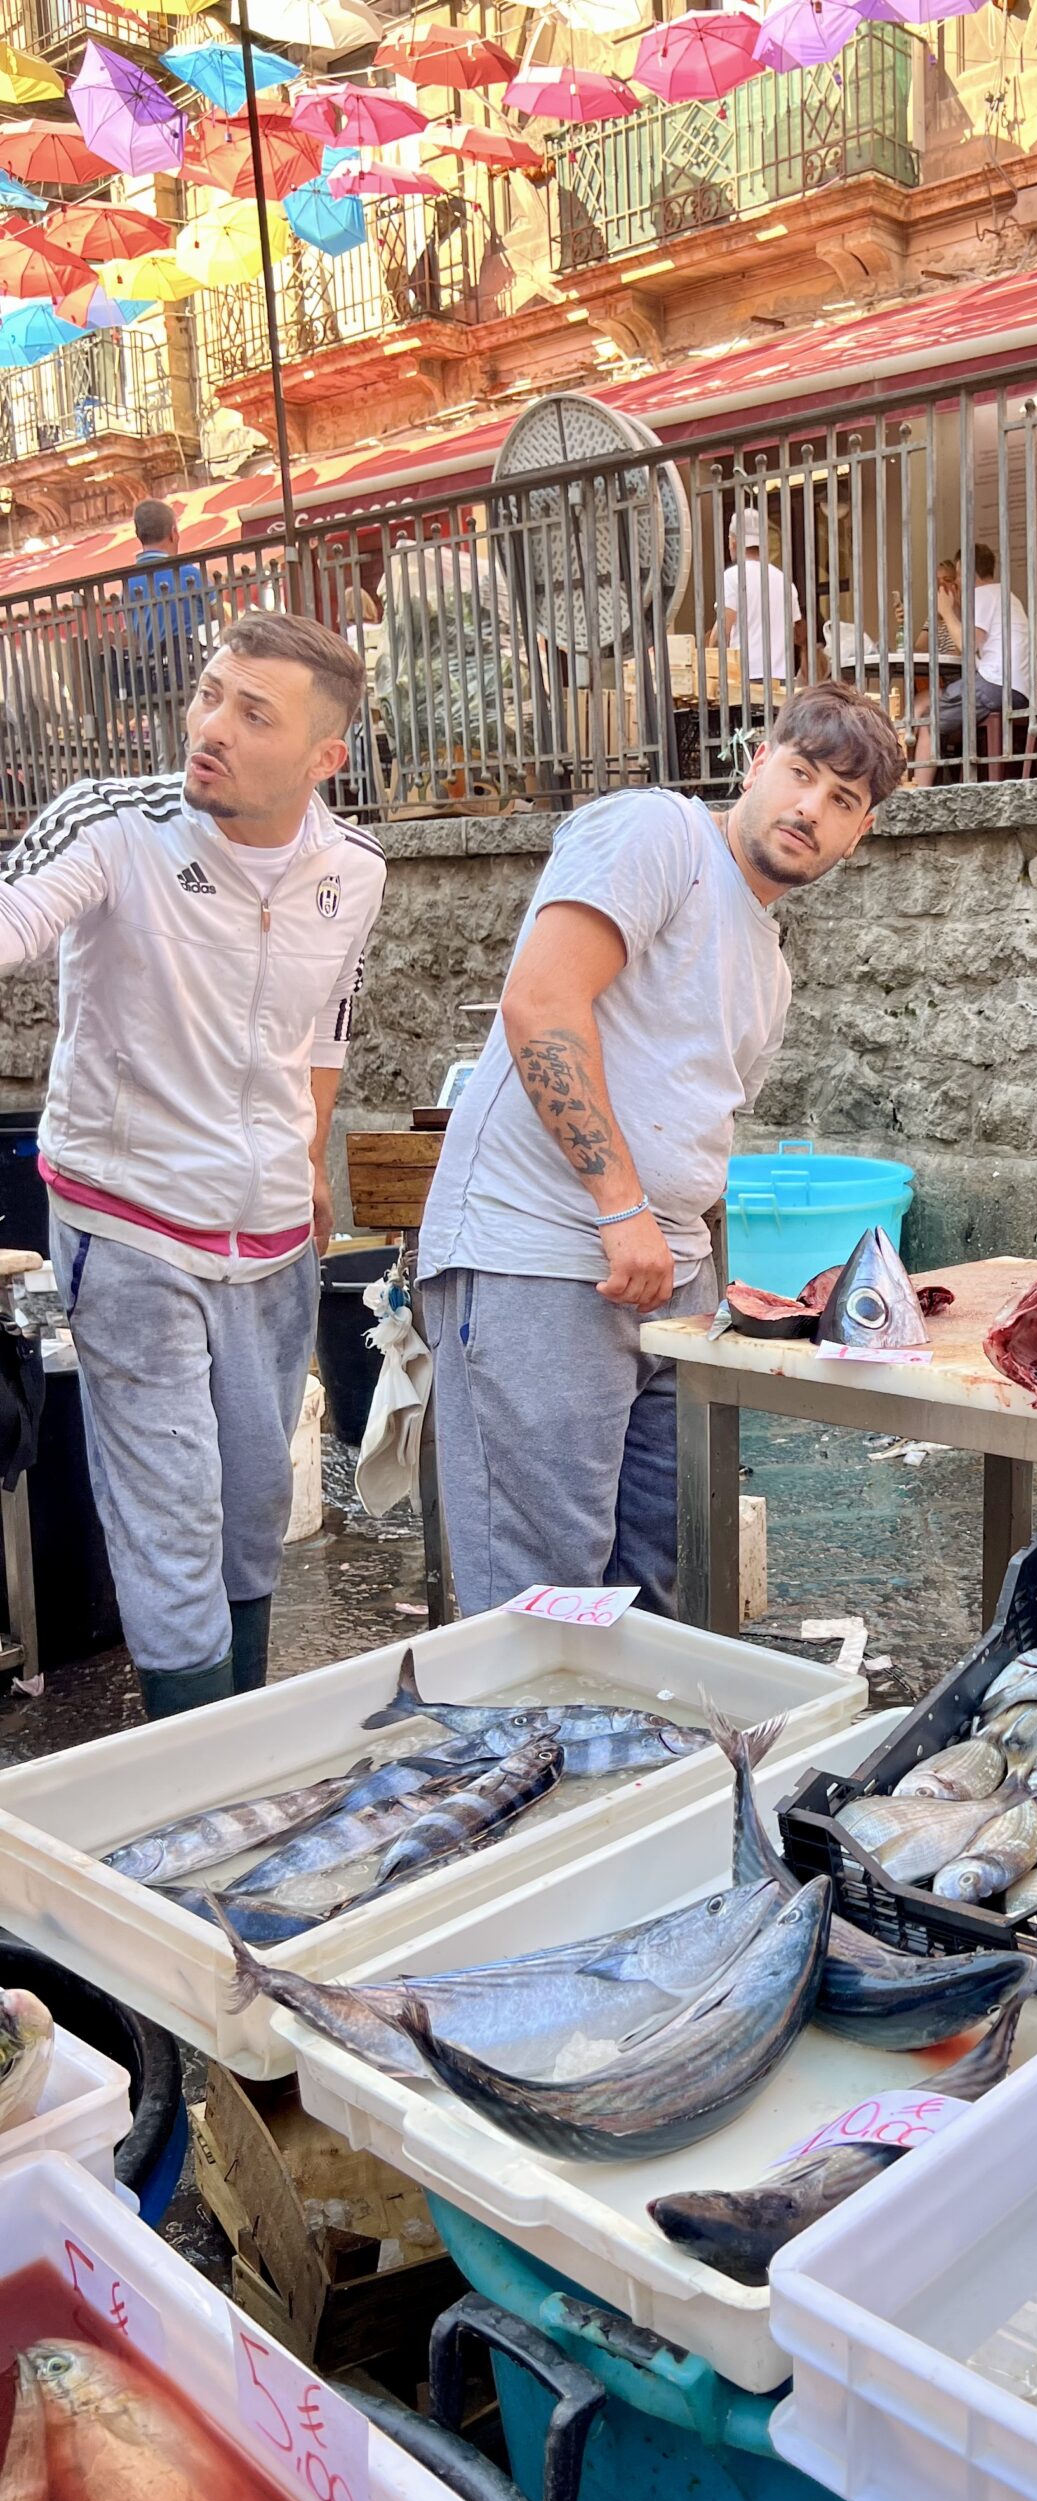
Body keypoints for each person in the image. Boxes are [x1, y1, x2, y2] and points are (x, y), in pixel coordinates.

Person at [417, 682, 903, 1618]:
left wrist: (699, 1266)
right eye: (801, 775)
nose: (811, 808)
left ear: (858, 836)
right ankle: (512, 1763)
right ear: (757, 763)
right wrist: (620, 1207)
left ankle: (633, 1767)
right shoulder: (658, 836)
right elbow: (542, 1003)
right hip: (541, 1259)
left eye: (843, 801)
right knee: (539, 1593)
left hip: (665, 1278)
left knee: (652, 1582)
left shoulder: (771, 964)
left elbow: (691, 1127)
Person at [0, 614, 384, 1717]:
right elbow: (18, 919)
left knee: (254, 1501)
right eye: (209, 692)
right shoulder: (114, 825)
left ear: (325, 757)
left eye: (251, 711)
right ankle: (200, 1771)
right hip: (126, 1219)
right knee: (169, 1508)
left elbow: (326, 1030)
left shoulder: (354, 869)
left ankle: (243, 1732)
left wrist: (308, 1156)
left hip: (269, 1231)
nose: (209, 726)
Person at [908, 544, 1034, 780]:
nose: (956, 582)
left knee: (929, 720)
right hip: (1015, 688)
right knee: (930, 699)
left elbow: (967, 647)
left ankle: (917, 794)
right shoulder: (1005, 594)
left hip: (994, 685)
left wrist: (945, 611)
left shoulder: (983, 595)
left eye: (957, 575)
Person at [117, 498, 211, 764]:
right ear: (173, 532)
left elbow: (130, 634)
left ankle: (168, 791)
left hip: (153, 677)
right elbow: (218, 616)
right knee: (198, 740)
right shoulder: (187, 573)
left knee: (165, 749)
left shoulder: (128, 584)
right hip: (192, 671)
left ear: (139, 535)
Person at [711, 508, 806, 688]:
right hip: (782, 683)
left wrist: (714, 672)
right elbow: (798, 634)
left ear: (732, 542)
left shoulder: (733, 577)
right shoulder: (785, 582)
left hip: (746, 680)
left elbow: (722, 633)